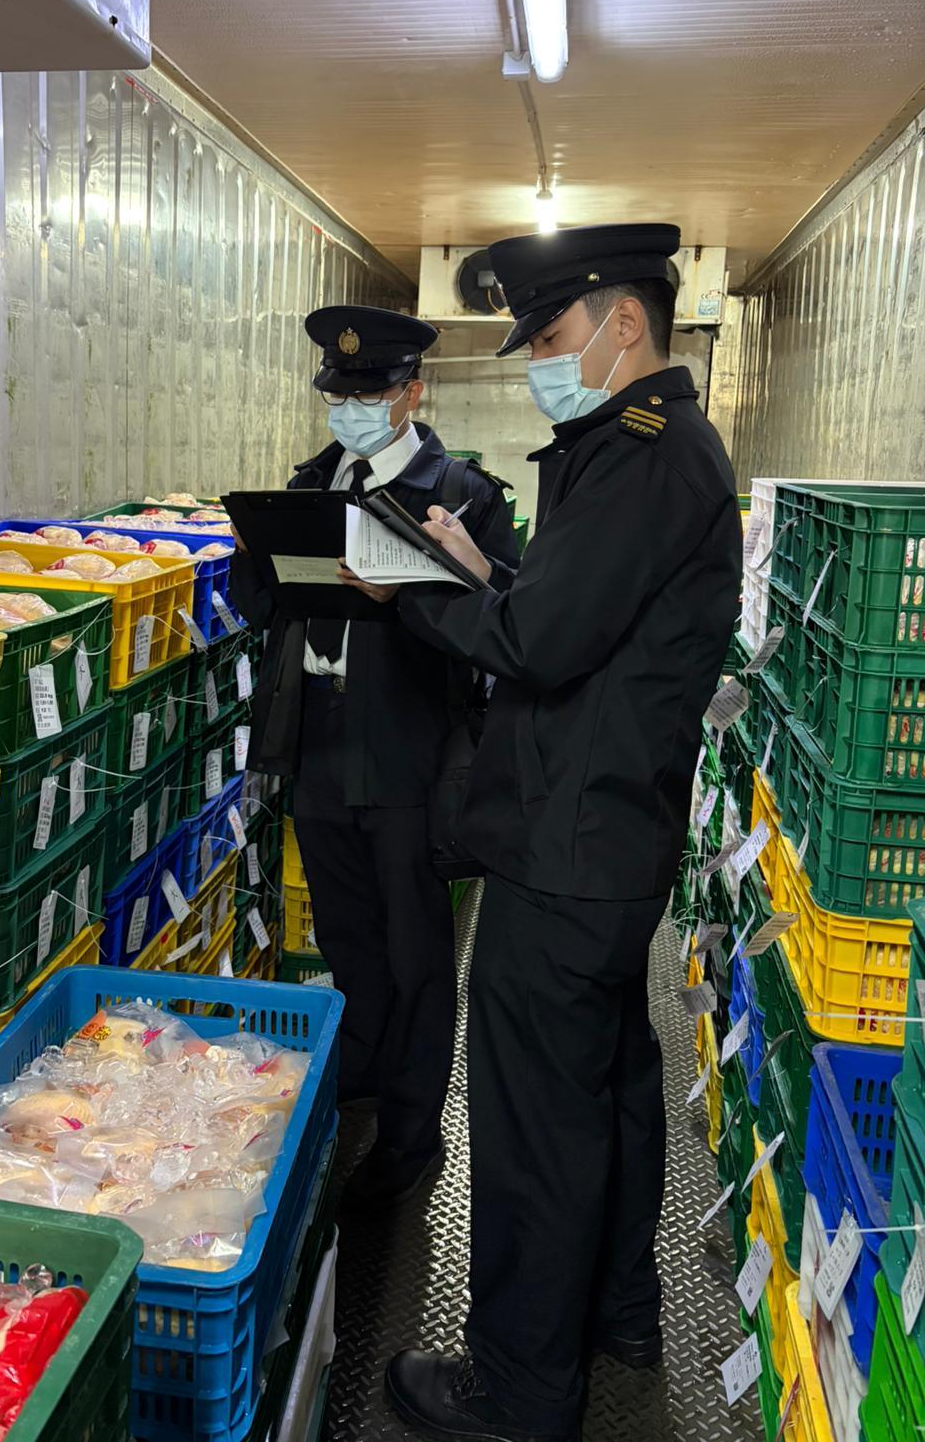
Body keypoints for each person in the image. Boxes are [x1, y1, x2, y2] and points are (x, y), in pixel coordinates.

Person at [383, 226, 742, 1441]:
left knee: (535, 1124)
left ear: (621, 325)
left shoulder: (646, 456)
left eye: (548, 337)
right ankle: (618, 1312)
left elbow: (539, 645)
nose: (539, 361)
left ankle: (521, 1390)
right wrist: (484, 568)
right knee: (607, 1092)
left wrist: (416, 586)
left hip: (567, 849)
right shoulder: (657, 453)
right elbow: (571, 613)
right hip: (607, 842)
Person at [229, 304, 518, 1213]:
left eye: (370, 392)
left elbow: (498, 631)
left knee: (417, 952)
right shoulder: (312, 480)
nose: (350, 408)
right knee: (350, 937)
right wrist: (270, 550)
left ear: (411, 393)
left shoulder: (464, 497)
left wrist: (410, 589)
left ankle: (411, 1132)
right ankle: (364, 1072)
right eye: (339, 393)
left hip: (408, 756)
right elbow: (254, 597)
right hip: (319, 743)